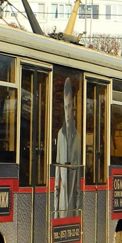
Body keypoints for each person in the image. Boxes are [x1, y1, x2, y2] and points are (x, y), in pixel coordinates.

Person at [54, 77, 79, 213]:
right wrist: (56, 208)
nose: (67, 112)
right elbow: (58, 172)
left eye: (69, 107)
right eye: (65, 107)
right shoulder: (60, 135)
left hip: (72, 205)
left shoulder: (77, 137)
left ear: (73, 108)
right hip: (62, 203)